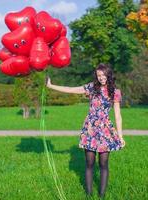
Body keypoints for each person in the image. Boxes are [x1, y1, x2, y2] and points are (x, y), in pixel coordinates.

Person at [46, 63, 125, 198]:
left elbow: (118, 115)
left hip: (105, 130)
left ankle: (102, 195)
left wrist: (120, 136)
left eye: (103, 75)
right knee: (89, 162)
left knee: (103, 163)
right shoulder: (91, 88)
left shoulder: (115, 92)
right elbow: (71, 89)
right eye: (98, 75)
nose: (101, 78)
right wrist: (51, 86)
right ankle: (88, 195)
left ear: (108, 75)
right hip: (90, 128)